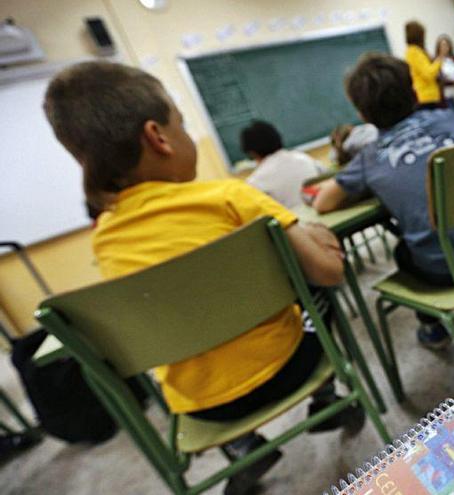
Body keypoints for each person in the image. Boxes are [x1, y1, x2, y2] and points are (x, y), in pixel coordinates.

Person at [42, 61, 360, 495]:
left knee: (178, 333)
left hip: (207, 410)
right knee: (312, 293)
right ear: (158, 137)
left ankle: (245, 448)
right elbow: (331, 271)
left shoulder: (106, 242)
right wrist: (314, 235)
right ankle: (330, 396)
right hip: (289, 367)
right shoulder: (231, 194)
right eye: (183, 125)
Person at [312, 54, 454, 349]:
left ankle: (434, 329)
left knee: (404, 251)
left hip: (445, 272)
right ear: (413, 91)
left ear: (362, 114)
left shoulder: (371, 157)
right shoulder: (447, 119)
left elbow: (323, 203)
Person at [240, 120, 327, 210]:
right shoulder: (303, 158)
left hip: (296, 222)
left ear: (252, 153)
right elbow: (328, 176)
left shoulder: (255, 182)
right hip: (325, 214)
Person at [404, 21, 447, 107]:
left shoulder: (416, 51)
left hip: (430, 96)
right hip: (426, 97)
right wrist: (441, 57)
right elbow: (429, 74)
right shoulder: (414, 52)